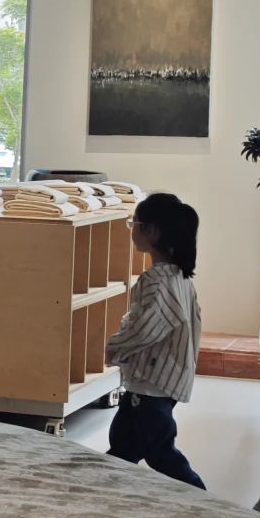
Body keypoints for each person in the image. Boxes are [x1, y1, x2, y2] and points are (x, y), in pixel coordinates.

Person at [105, 192, 204, 489]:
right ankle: (106, 490)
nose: (132, 229)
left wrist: (114, 347)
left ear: (151, 231)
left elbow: (145, 328)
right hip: (157, 380)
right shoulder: (179, 277)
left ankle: (199, 497)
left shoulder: (157, 280)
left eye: (134, 223)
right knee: (123, 447)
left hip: (151, 383)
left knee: (159, 452)